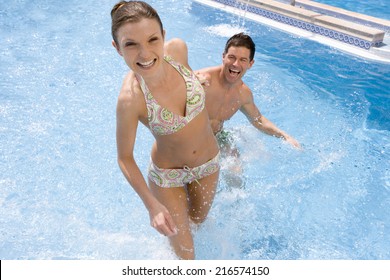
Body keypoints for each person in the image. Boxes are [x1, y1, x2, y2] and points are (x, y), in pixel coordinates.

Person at [111, 1, 220, 260]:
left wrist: (197, 82)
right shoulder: (131, 99)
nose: (145, 53)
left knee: (197, 222)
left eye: (152, 39)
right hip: (168, 177)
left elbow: (188, 78)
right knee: (187, 258)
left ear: (164, 36)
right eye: (131, 44)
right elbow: (124, 158)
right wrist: (152, 206)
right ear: (117, 48)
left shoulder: (178, 51)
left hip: (209, 164)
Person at [196, 33, 300, 186]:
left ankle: (234, 205)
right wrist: (187, 85)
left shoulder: (243, 94)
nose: (236, 64)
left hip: (218, 137)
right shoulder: (202, 80)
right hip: (192, 140)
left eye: (243, 60)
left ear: (251, 63)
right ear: (223, 56)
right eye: (231, 57)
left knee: (236, 171)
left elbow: (258, 120)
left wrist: (284, 136)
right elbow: (168, 89)